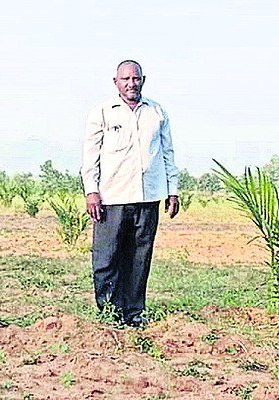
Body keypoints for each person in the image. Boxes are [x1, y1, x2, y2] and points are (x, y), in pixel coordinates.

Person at [81, 60, 179, 327]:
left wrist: (173, 191)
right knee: (107, 258)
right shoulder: (101, 112)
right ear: (116, 82)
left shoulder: (157, 112)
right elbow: (90, 157)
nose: (131, 84)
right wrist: (92, 191)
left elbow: (168, 154)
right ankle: (109, 313)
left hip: (148, 198)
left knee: (139, 258)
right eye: (125, 79)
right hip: (111, 198)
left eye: (135, 79)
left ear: (143, 80)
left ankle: (134, 313)